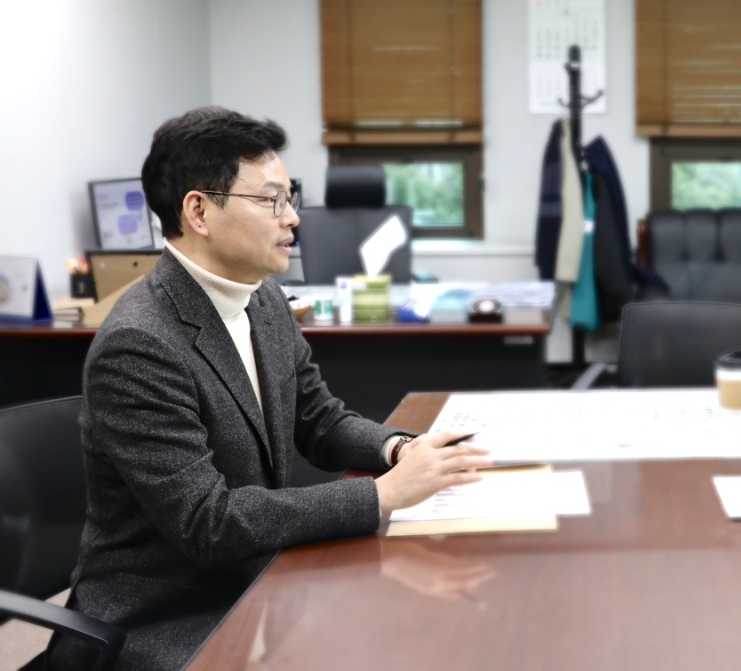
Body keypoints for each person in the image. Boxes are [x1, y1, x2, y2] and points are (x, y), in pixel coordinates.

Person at [46, 108, 491, 671]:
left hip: (259, 572)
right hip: (169, 614)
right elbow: (209, 523)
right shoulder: (139, 344)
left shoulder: (263, 299)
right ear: (199, 211)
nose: (293, 218)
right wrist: (383, 496)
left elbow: (320, 420)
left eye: (290, 198)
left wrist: (398, 449)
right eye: (272, 200)